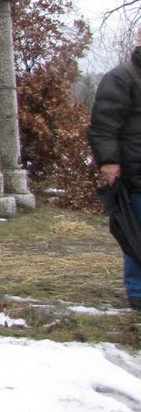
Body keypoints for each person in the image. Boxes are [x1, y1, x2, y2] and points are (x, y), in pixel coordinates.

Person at [88, 32, 141, 311]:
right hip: (135, 173)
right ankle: (138, 292)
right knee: (135, 235)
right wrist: (108, 163)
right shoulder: (121, 77)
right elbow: (104, 125)